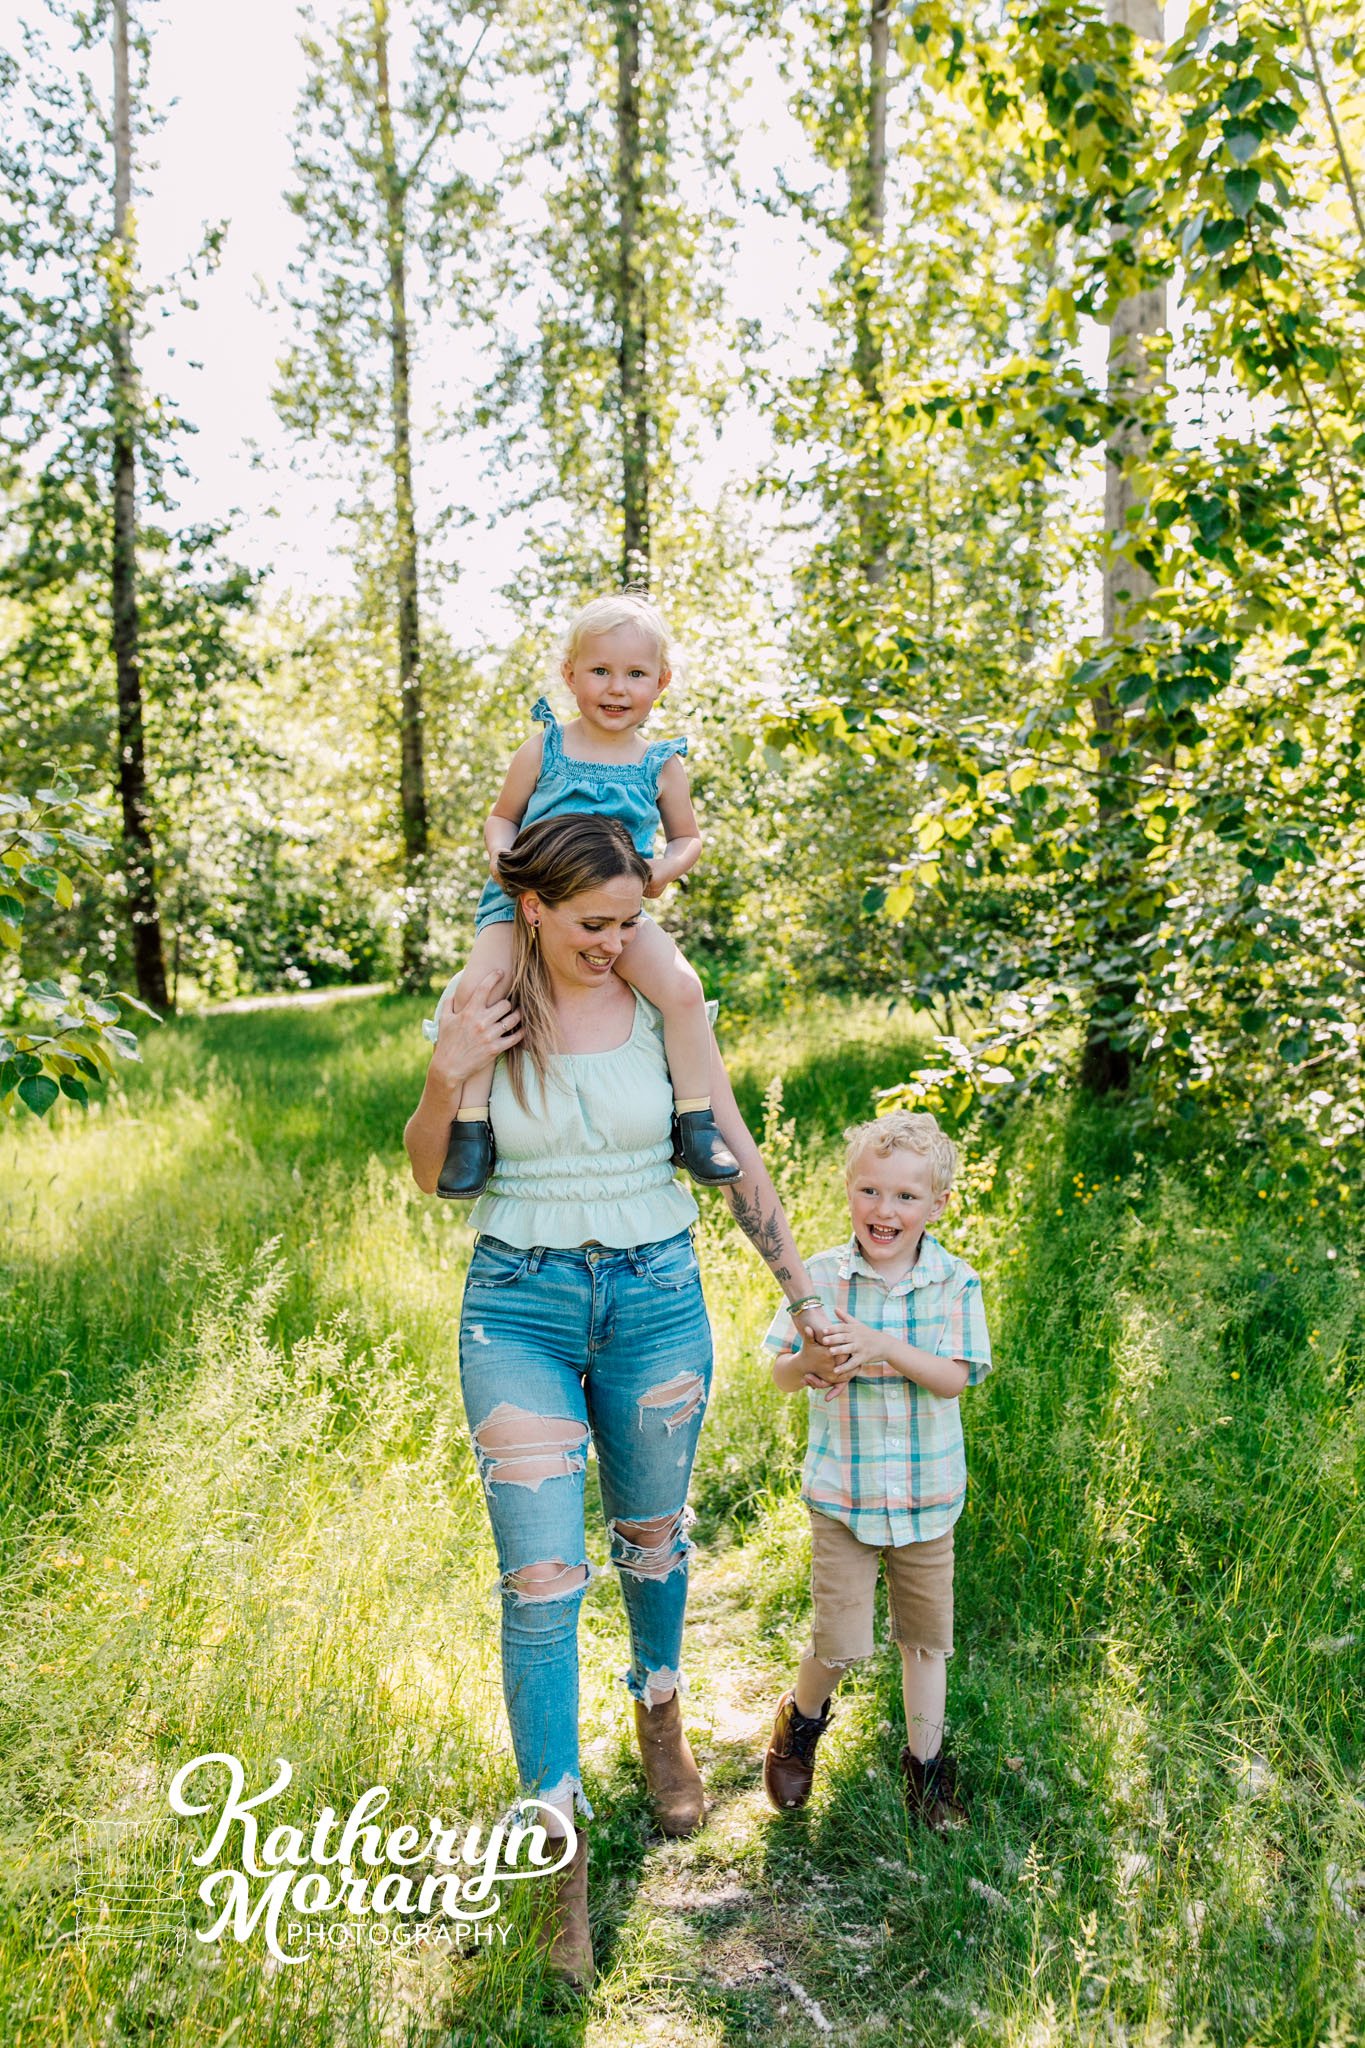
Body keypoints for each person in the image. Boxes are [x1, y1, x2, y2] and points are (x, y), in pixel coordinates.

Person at [404, 812, 833, 1991]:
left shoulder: (659, 1006)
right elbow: (434, 1170)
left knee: (652, 1538)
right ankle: (560, 1856)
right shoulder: (486, 1003)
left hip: (655, 1300)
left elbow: (731, 1143)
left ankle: (659, 1710)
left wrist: (798, 1287)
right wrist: (447, 1072)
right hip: (518, 1310)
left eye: (633, 919)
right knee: (539, 1580)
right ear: (531, 910)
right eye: (594, 922)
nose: (617, 940)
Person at [433, 591, 740, 1199]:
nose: (617, 688)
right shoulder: (545, 748)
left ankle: (695, 1119)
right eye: (600, 670)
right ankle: (472, 1130)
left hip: (613, 914)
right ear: (571, 675)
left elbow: (689, 837)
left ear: (662, 682)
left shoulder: (658, 764)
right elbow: (501, 818)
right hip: (521, 901)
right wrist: (501, 857)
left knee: (682, 988)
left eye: (635, 674)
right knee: (479, 992)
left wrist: (664, 869)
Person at [759, 1110, 993, 1833]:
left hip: (928, 1499)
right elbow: (780, 1372)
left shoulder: (953, 1282)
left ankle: (925, 1774)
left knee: (924, 1642)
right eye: (869, 1191)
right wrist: (810, 1363)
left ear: (936, 1206)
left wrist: (880, 1345)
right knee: (839, 1641)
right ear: (847, 1192)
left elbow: (954, 1378)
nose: (882, 1211)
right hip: (843, 1497)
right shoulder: (819, 1279)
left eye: (903, 1197)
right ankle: (798, 1724)